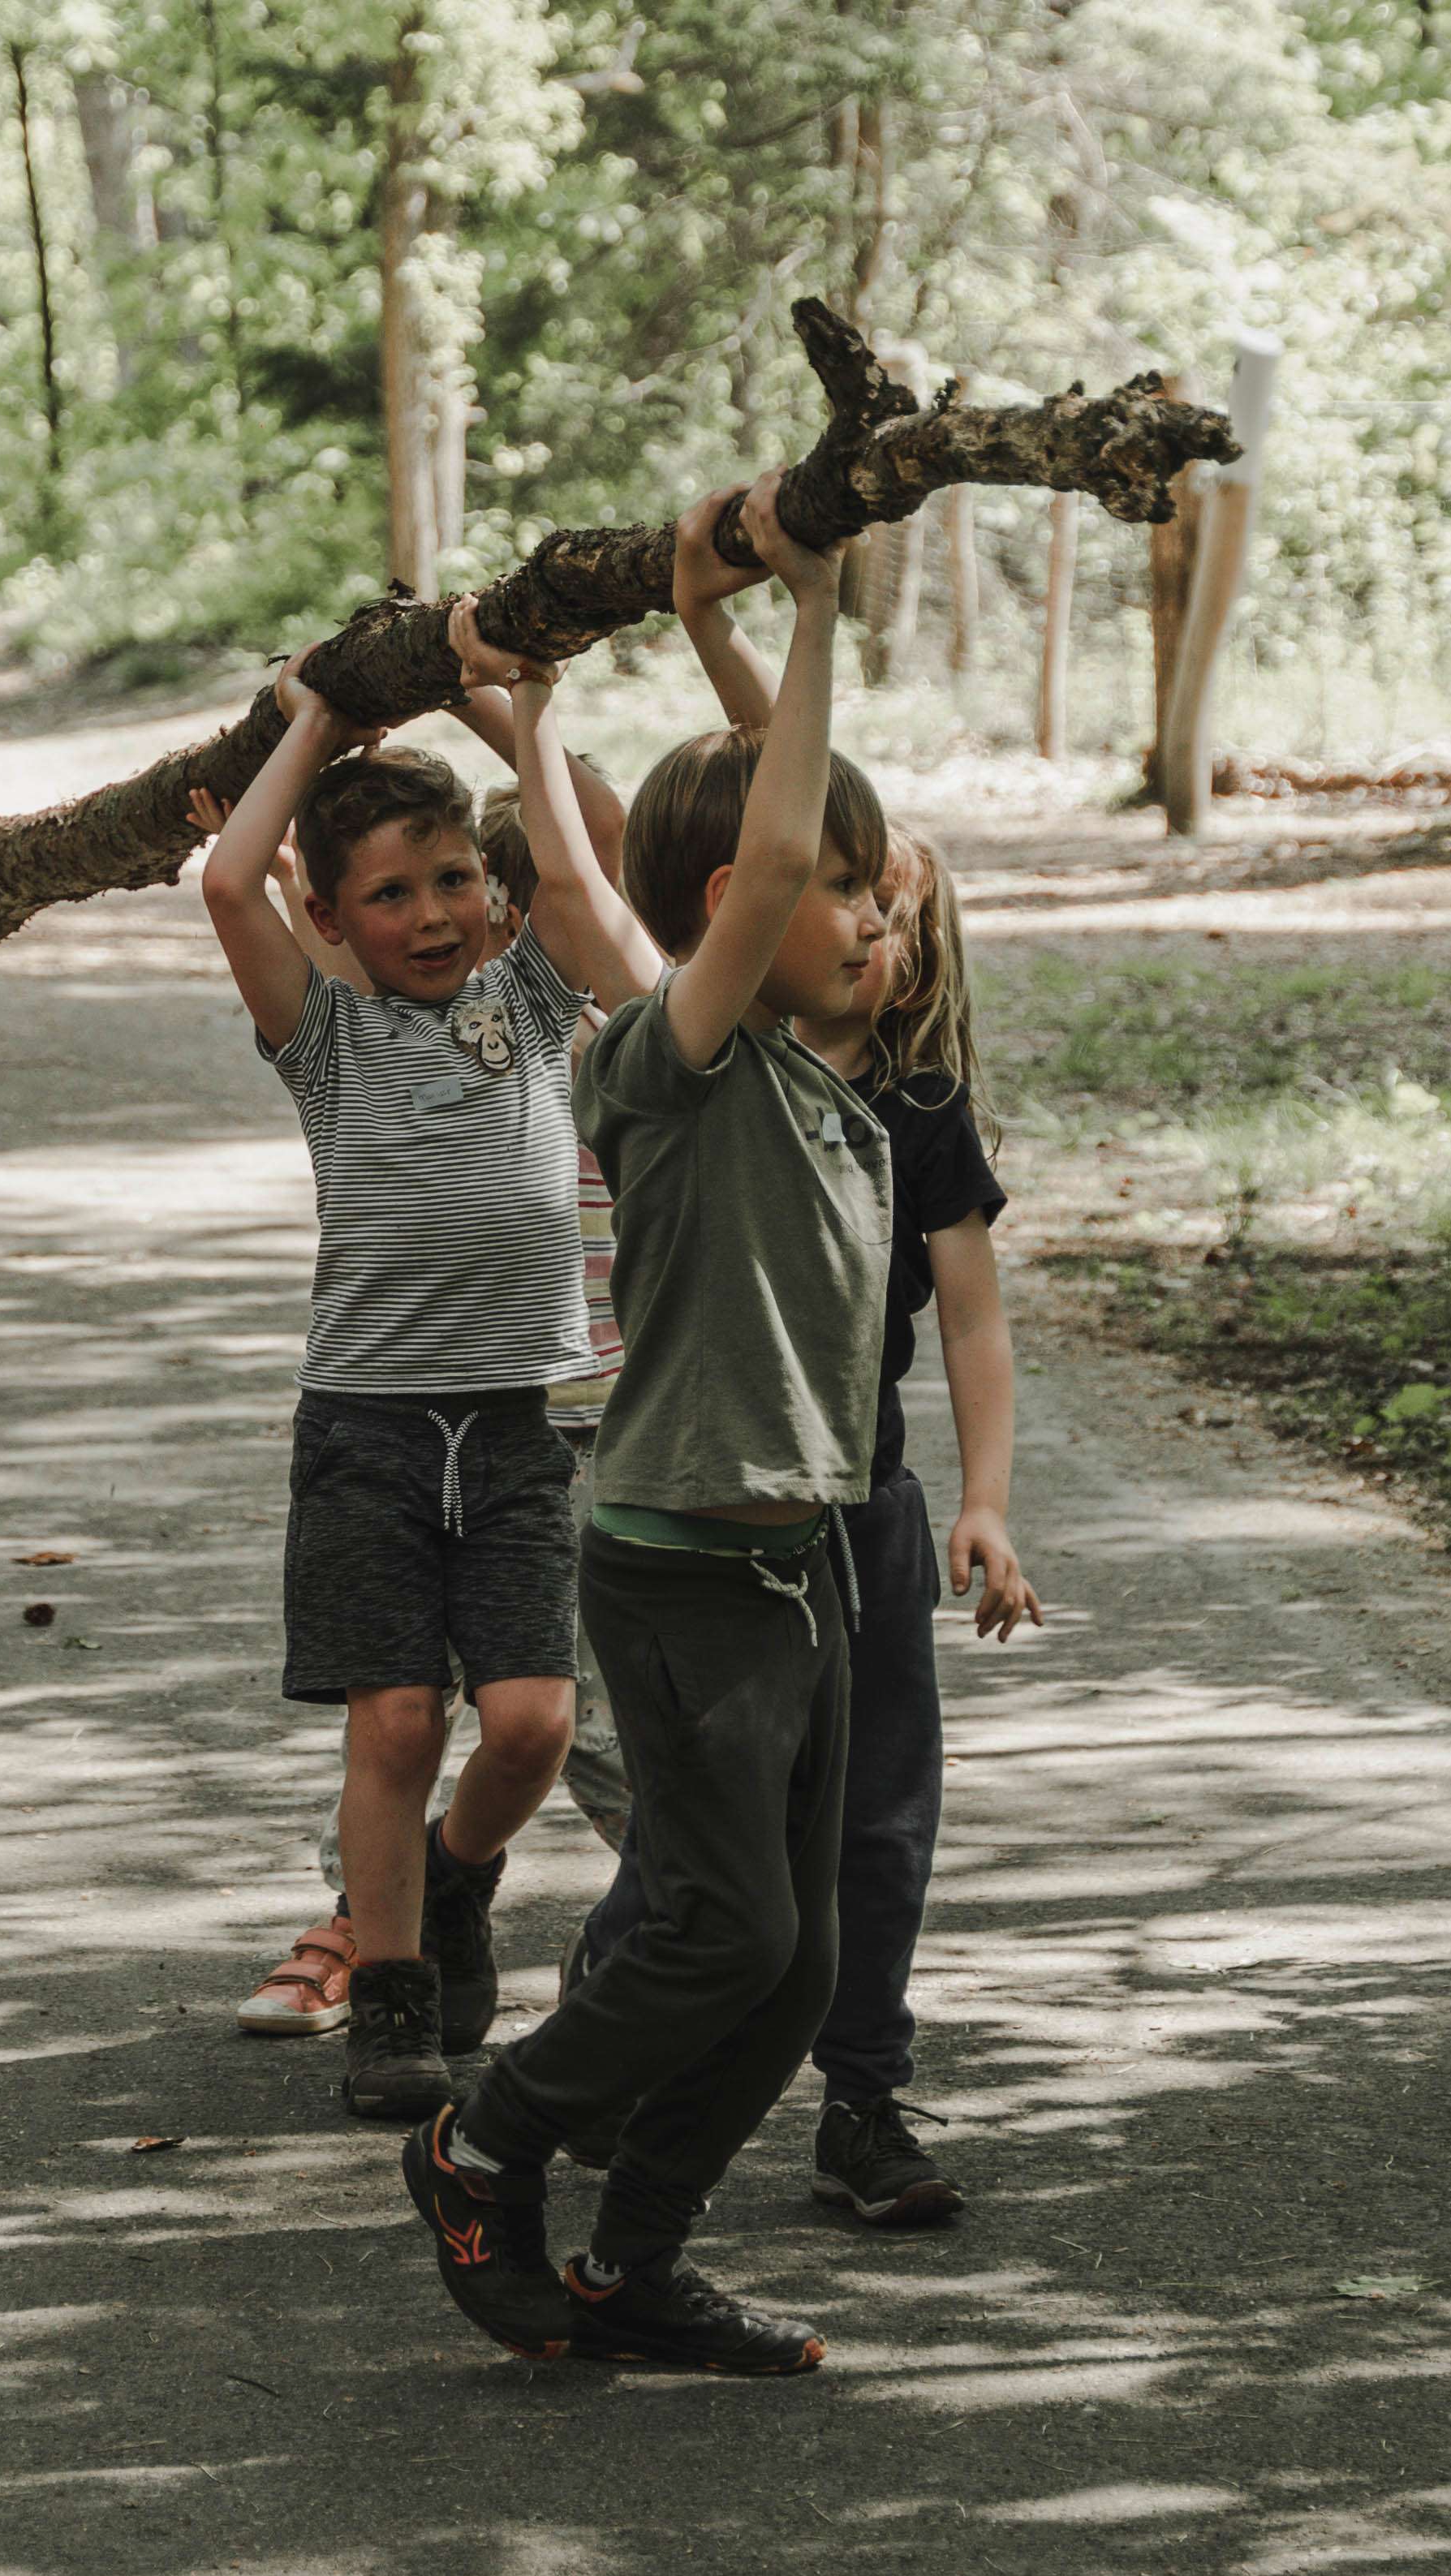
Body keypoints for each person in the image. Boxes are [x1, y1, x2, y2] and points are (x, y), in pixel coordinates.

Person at [402, 472, 884, 2376]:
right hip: (683, 1568)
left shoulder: (827, 1076)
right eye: (844, 887)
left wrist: (679, 638)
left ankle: (632, 2263)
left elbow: (693, 861)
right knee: (717, 1930)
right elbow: (732, 878)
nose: (871, 900)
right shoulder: (675, 1070)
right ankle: (482, 2141)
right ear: (738, 915)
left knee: (798, 1964)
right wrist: (823, 598)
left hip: (800, 1565)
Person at [200, 602, 662, 2122]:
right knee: (396, 1718)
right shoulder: (324, 1038)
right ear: (330, 920)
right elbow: (224, 877)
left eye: (456, 876)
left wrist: (508, 715)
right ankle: (395, 2002)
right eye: (390, 893)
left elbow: (591, 867)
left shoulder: (533, 1007)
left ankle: (457, 1885)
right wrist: (316, 724)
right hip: (371, 1428)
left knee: (530, 1722)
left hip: (526, 1420)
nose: (433, 909)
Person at [558, 825, 1039, 2229]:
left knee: (877, 1823)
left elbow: (972, 1315)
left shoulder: (918, 1105)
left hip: (864, 1513)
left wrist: (987, 1503)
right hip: (719, 1519)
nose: (872, 934)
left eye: (892, 916)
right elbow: (718, 834)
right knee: (706, 1826)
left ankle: (864, 2098)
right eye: (842, 899)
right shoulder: (698, 1067)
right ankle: (604, 2048)